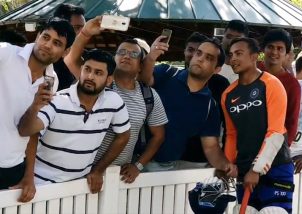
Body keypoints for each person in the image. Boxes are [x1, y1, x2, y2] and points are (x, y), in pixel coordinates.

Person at [64, 17, 168, 183]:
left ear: (141, 65)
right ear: (114, 58)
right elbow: (70, 60)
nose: (127, 56)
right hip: (80, 171)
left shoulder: (149, 96)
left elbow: (159, 136)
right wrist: (85, 33)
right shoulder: (99, 82)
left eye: (134, 54)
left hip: (119, 177)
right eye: (122, 52)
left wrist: (138, 166)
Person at [17, 49, 131, 193]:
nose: (90, 76)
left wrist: (98, 170)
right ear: (81, 70)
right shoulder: (57, 100)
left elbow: (124, 136)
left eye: (98, 73)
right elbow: (29, 133)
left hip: (81, 187)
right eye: (87, 69)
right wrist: (28, 178)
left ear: (109, 80)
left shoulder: (114, 101)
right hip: (42, 185)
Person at [0, 17, 75, 202]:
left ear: (65, 52)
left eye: (57, 43)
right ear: (37, 36)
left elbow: (33, 132)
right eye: (45, 37)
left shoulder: (52, 80)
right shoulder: (6, 54)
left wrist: (28, 175)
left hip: (13, 167)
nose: (48, 45)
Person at [139, 36, 236, 175]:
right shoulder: (167, 73)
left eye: (209, 58)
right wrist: (151, 57)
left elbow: (211, 147)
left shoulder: (210, 106)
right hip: (133, 161)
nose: (200, 58)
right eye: (199, 53)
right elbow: (143, 78)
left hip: (167, 168)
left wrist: (226, 165)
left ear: (217, 69)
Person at [223, 37, 294, 213]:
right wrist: (229, 164)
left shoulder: (271, 84)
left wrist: (256, 170)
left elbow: (276, 132)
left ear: (255, 56)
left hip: (276, 165)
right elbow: (232, 134)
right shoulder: (228, 94)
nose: (233, 59)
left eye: (239, 53)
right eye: (231, 55)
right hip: (244, 169)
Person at [180, 32, 230, 168]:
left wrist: (222, 158)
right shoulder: (171, 78)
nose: (197, 57)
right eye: (193, 51)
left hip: (201, 160)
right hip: (164, 160)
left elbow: (228, 125)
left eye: (207, 56)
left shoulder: (221, 85)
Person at [262, 29, 301, 146]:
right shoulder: (251, 71)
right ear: (263, 49)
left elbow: (292, 122)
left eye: (280, 48)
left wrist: (281, 149)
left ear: (287, 54)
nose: (274, 52)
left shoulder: (292, 85)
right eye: (270, 47)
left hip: (273, 147)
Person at [53, 3, 86, 90]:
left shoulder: (87, 58)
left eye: (84, 28)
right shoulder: (45, 58)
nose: (82, 33)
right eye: (77, 28)